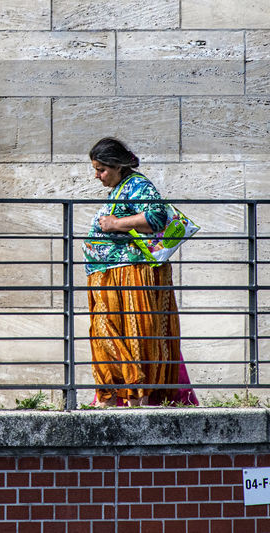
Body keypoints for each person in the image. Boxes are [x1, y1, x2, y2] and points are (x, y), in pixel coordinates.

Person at [83, 137, 197, 407]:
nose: (97, 176)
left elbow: (155, 217)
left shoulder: (138, 185)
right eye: (95, 170)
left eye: (101, 170)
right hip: (109, 272)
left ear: (117, 165)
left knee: (133, 332)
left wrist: (114, 224)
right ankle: (114, 396)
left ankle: (138, 395)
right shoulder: (121, 188)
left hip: (130, 273)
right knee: (105, 331)